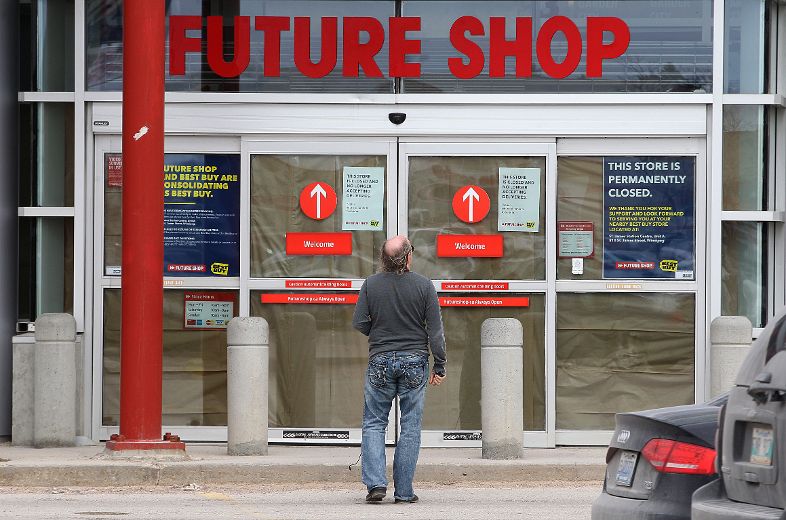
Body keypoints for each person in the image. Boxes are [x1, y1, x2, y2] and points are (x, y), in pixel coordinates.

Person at [352, 235, 447, 504]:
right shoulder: (424, 286)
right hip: (415, 361)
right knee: (410, 426)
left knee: (374, 423)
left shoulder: (371, 285)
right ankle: (404, 492)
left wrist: (379, 334)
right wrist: (439, 365)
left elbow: (359, 322)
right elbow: (435, 332)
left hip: (380, 360)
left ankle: (375, 485)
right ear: (407, 258)